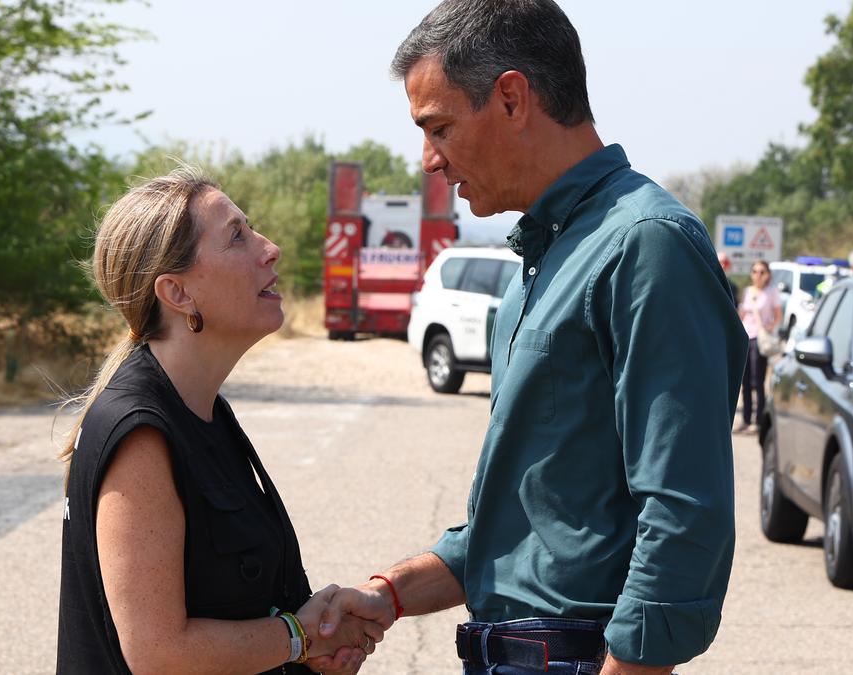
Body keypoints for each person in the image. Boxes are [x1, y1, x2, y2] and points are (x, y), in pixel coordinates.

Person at [317, 2, 747, 674]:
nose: (429, 159)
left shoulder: (645, 244)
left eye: (440, 128)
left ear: (513, 98)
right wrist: (390, 593)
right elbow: (528, 525)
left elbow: (685, 511)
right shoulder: (538, 267)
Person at [56, 167, 382, 674]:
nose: (269, 248)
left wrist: (310, 635)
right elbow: (158, 653)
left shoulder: (205, 410)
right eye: (237, 236)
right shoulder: (141, 432)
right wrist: (298, 638)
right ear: (178, 294)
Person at [735, 260, 782, 435]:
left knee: (758, 381)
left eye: (762, 272)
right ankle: (746, 420)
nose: (758, 275)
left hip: (759, 340)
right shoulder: (748, 292)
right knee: (745, 382)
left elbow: (778, 316)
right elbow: (742, 314)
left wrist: (768, 328)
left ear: (768, 275)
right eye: (755, 271)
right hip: (746, 338)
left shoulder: (771, 292)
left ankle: (758, 421)